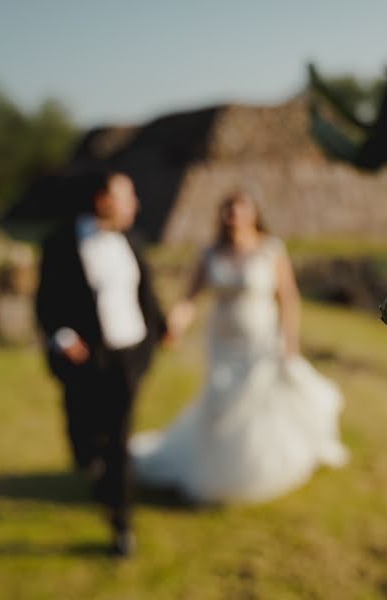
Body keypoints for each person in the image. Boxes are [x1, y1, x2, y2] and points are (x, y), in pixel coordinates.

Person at [131, 190, 348, 504]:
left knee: (257, 403)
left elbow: (287, 298)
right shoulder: (209, 253)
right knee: (221, 403)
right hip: (222, 342)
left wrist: (290, 342)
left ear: (253, 214)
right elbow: (190, 297)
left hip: (261, 341)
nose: (233, 216)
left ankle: (260, 469)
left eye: (239, 210)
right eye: (227, 210)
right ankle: (219, 471)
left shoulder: (271, 250)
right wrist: (175, 324)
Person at [35, 171, 166, 556]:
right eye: (127, 197)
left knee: (119, 438)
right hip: (87, 358)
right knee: (87, 432)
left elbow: (146, 292)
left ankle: (121, 523)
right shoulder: (60, 243)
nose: (135, 205)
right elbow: (46, 301)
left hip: (129, 354)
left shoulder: (131, 241)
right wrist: (63, 336)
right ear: (101, 200)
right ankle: (93, 464)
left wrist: (160, 329)